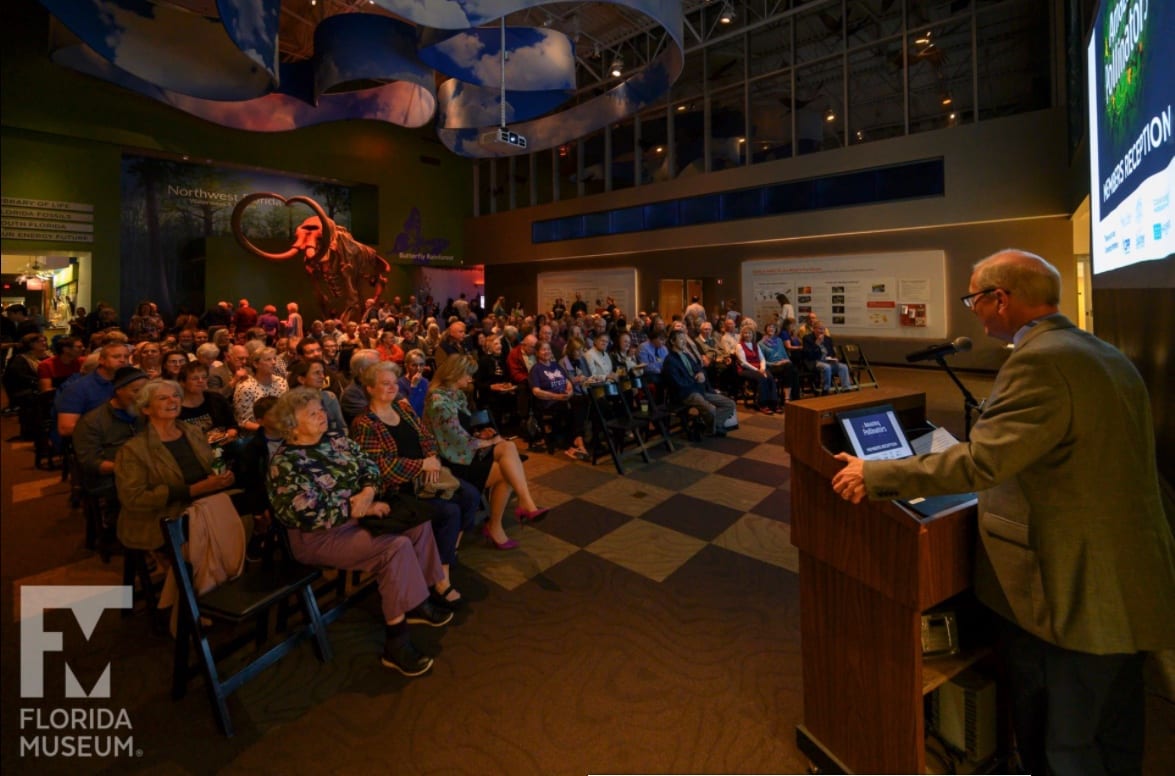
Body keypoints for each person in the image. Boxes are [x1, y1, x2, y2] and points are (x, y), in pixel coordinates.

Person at [830, 249, 1175, 776]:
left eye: (975, 299)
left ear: (1001, 298)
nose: (975, 311)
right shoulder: (1101, 351)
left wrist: (876, 474)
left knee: (1066, 746)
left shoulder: (1040, 360)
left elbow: (982, 461)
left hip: (1072, 593)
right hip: (1125, 579)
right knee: (1116, 733)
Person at [266, 388, 451, 676]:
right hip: (319, 536)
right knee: (395, 547)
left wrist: (366, 493)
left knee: (418, 521)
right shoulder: (285, 463)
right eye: (312, 413)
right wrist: (358, 508)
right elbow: (305, 513)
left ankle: (418, 600)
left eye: (321, 409)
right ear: (291, 424)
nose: (322, 415)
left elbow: (370, 467)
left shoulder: (336, 441)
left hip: (358, 517)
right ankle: (396, 643)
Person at [351, 362, 479, 608]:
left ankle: (446, 554)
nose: (391, 388)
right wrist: (421, 466)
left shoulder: (403, 409)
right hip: (397, 489)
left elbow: (426, 437)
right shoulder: (365, 423)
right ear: (369, 388)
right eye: (384, 384)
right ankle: (440, 579)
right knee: (449, 511)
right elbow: (380, 466)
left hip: (426, 478)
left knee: (470, 495)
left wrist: (430, 459)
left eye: (393, 383)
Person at [424, 355, 548, 549]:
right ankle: (505, 519)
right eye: (468, 374)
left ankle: (520, 507)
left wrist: (480, 433)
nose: (470, 379)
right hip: (452, 462)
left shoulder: (455, 395)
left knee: (508, 449)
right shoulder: (438, 401)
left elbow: (463, 430)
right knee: (507, 465)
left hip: (464, 452)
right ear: (454, 374)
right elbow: (454, 441)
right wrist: (489, 441)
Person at [114, 379, 243, 551]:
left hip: (203, 505)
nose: (172, 401)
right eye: (162, 398)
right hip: (163, 517)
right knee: (215, 535)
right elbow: (134, 498)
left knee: (245, 508)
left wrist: (222, 477)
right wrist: (194, 489)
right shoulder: (134, 450)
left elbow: (209, 466)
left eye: (175, 396)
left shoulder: (193, 432)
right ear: (146, 409)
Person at [662, 329, 735, 437]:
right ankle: (714, 428)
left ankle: (710, 427)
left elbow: (698, 368)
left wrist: (701, 373)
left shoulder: (686, 355)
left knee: (729, 404)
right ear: (673, 341)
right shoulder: (670, 361)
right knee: (710, 409)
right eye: (681, 339)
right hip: (685, 393)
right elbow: (679, 383)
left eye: (685, 339)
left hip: (699, 389)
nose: (684, 342)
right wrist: (696, 380)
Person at [177, 361, 237, 441]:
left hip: (223, 444)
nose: (201, 381)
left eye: (204, 377)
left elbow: (232, 424)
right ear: (182, 382)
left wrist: (231, 432)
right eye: (195, 378)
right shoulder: (176, 408)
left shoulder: (216, 399)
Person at [3, 333, 48, 440]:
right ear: (30, 344)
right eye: (39, 341)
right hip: (26, 391)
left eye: (44, 341)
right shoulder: (21, 359)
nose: (44, 343)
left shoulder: (46, 356)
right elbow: (19, 379)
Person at [233, 347, 288, 432]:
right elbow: (243, 422)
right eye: (268, 359)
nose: (273, 362)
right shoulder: (245, 387)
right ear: (256, 364)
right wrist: (269, 430)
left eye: (274, 359)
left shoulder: (281, 382)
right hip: (258, 433)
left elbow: (287, 409)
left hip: (282, 429)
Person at [287, 359, 347, 434]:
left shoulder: (329, 397)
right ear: (302, 379)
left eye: (322, 373)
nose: (322, 376)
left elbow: (342, 427)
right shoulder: (290, 403)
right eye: (317, 373)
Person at [733, 323, 780, 414]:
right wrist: (757, 370)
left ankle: (774, 403)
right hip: (745, 370)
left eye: (749, 333)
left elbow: (762, 358)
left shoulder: (755, 345)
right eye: (745, 333)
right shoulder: (739, 346)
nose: (747, 335)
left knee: (770, 377)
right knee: (762, 378)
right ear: (742, 335)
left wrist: (762, 368)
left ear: (753, 334)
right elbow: (743, 363)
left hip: (758, 368)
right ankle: (762, 404)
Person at [803, 320, 851, 394]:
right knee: (826, 367)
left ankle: (846, 389)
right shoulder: (807, 339)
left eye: (823, 329)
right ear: (814, 329)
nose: (822, 331)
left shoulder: (828, 339)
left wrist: (834, 358)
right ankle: (825, 390)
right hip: (815, 361)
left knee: (843, 367)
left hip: (828, 361)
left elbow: (832, 353)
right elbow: (808, 355)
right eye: (819, 329)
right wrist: (816, 344)